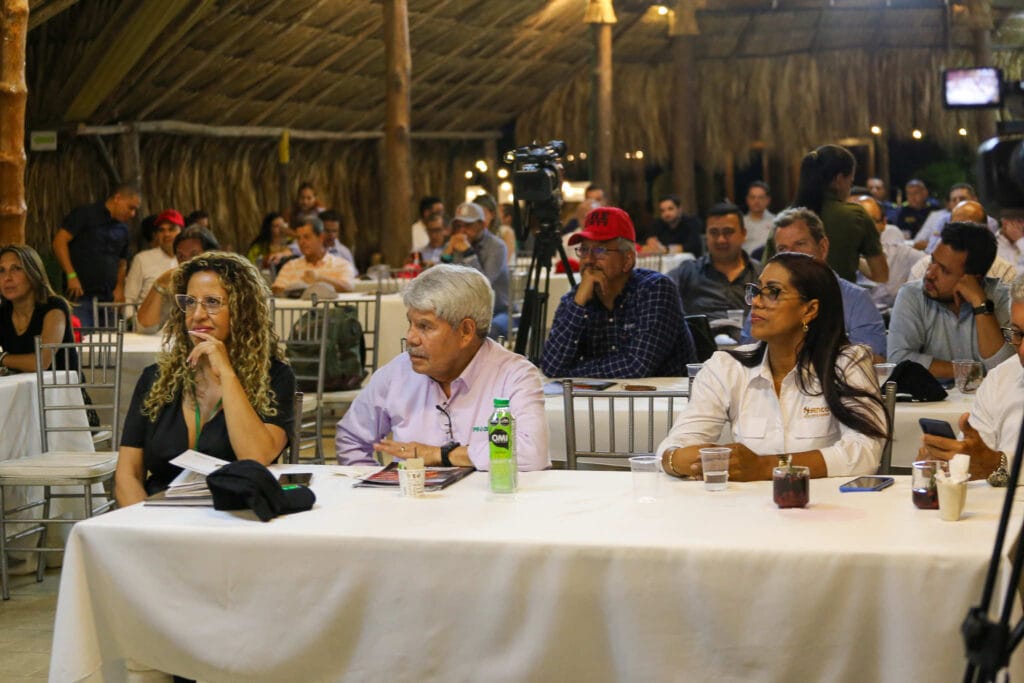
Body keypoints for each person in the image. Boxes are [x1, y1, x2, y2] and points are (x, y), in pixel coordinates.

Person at [659, 252, 887, 481]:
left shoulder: (847, 363)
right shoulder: (727, 367)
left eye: (773, 292)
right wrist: (681, 460)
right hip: (748, 509)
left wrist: (766, 467)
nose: (757, 302)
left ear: (809, 310)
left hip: (828, 508)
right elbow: (675, 447)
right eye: (757, 291)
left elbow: (864, 452)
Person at [114, 252, 296, 505]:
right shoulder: (156, 379)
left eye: (212, 302)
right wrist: (144, 524)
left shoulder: (275, 377)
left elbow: (255, 456)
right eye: (189, 302)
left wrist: (227, 374)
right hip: (159, 515)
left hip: (234, 518)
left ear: (242, 309)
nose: (197, 314)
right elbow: (127, 475)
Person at [335, 264, 549, 471]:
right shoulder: (397, 373)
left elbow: (532, 452)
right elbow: (350, 438)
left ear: (466, 331)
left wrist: (441, 455)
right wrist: (380, 487)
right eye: (410, 323)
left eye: (425, 326)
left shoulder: (514, 375)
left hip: (490, 503)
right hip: (414, 505)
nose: (411, 338)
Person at [542, 206, 696, 378]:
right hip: (600, 403)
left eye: (600, 250)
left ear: (627, 260)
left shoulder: (656, 289)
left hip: (662, 402)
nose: (589, 260)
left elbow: (636, 367)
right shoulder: (576, 297)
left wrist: (571, 372)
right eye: (584, 250)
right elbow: (551, 367)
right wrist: (577, 305)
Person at [917, 273, 1024, 482]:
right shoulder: (1001, 378)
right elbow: (976, 457)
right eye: (1018, 334)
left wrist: (999, 464)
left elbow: (991, 463)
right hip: (994, 510)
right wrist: (947, 463)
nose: (1022, 351)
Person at [740, 207, 887, 358]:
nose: (791, 255)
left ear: (823, 247)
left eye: (800, 244)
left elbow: (872, 360)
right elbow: (747, 353)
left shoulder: (856, 300)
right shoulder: (764, 299)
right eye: (782, 248)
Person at [888, 221, 1013, 380]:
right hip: (930, 403)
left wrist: (980, 304)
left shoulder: (1003, 299)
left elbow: (1006, 371)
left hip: (989, 403)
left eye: (944, 270)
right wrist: (971, 370)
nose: (930, 274)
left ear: (973, 278)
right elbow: (898, 360)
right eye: (932, 261)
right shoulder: (912, 295)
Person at [790, 144, 887, 284]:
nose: (850, 188)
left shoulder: (785, 219)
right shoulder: (855, 216)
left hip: (789, 303)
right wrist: (853, 257)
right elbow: (881, 275)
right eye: (851, 182)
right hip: (839, 303)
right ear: (839, 180)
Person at [51, 183, 140, 328]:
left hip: (109, 298)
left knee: (112, 344)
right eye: (131, 207)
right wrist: (71, 275)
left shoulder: (123, 228)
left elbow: (122, 260)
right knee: (83, 343)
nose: (132, 214)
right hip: (81, 295)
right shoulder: (85, 214)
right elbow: (59, 242)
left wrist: (119, 287)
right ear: (118, 198)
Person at [668, 202, 761, 320]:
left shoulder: (760, 274)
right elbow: (660, 290)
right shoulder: (689, 272)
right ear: (706, 235)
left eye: (728, 232)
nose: (721, 240)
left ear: (743, 234)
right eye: (714, 233)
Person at [0, 245, 76, 373]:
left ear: (33, 273)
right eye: (1, 270)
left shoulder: (54, 307)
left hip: (60, 390)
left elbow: (41, 362)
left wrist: (2, 358)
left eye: (16, 269)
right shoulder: (3, 312)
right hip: (23, 390)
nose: (7, 278)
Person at [441, 202, 509, 338]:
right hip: (464, 312)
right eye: (459, 225)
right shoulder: (457, 243)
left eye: (468, 225)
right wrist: (446, 256)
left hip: (499, 311)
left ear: (483, 224)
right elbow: (441, 281)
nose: (463, 230)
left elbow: (483, 284)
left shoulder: (498, 247)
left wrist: (468, 253)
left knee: (487, 332)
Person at [909, 200, 1017, 284]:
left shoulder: (1003, 271)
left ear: (985, 232)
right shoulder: (923, 269)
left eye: (970, 230)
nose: (962, 235)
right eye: (956, 227)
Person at [135, 225, 220, 331]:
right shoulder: (176, 286)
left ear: (212, 255)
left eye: (194, 255)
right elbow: (145, 327)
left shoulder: (227, 283)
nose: (187, 262)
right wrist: (159, 283)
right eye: (181, 256)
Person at [850, 195, 927, 311]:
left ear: (883, 223)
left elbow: (930, 262)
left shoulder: (901, 255)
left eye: (870, 222)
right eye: (855, 222)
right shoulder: (834, 254)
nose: (862, 228)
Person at [124, 209, 184, 333]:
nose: (166, 234)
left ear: (181, 232)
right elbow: (129, 298)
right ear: (156, 235)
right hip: (147, 330)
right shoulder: (142, 259)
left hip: (180, 331)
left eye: (171, 229)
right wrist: (132, 324)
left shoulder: (189, 260)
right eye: (161, 230)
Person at [271, 216, 355, 295]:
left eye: (307, 237)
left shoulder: (341, 265)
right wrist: (298, 288)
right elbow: (276, 290)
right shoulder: (290, 266)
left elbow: (348, 287)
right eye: (299, 238)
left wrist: (319, 279)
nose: (301, 242)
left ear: (321, 237)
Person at [913, 183, 998, 252]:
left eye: (962, 198)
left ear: (974, 199)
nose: (958, 202)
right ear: (950, 204)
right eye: (954, 200)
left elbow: (983, 250)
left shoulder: (989, 222)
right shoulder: (942, 221)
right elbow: (931, 249)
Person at [638, 195, 703, 256]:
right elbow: (647, 245)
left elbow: (693, 246)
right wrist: (651, 243)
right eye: (662, 211)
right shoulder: (657, 224)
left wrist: (666, 250)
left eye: (670, 209)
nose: (666, 213)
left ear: (679, 209)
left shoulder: (691, 222)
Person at [473, 193, 516, 265]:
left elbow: (505, 261)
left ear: (492, 214)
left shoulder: (505, 231)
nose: (479, 218)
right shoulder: (473, 233)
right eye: (475, 213)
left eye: (483, 213)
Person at [742, 181, 775, 254]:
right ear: (747, 200)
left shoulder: (776, 222)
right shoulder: (740, 223)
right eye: (752, 197)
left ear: (768, 200)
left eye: (760, 197)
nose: (756, 201)